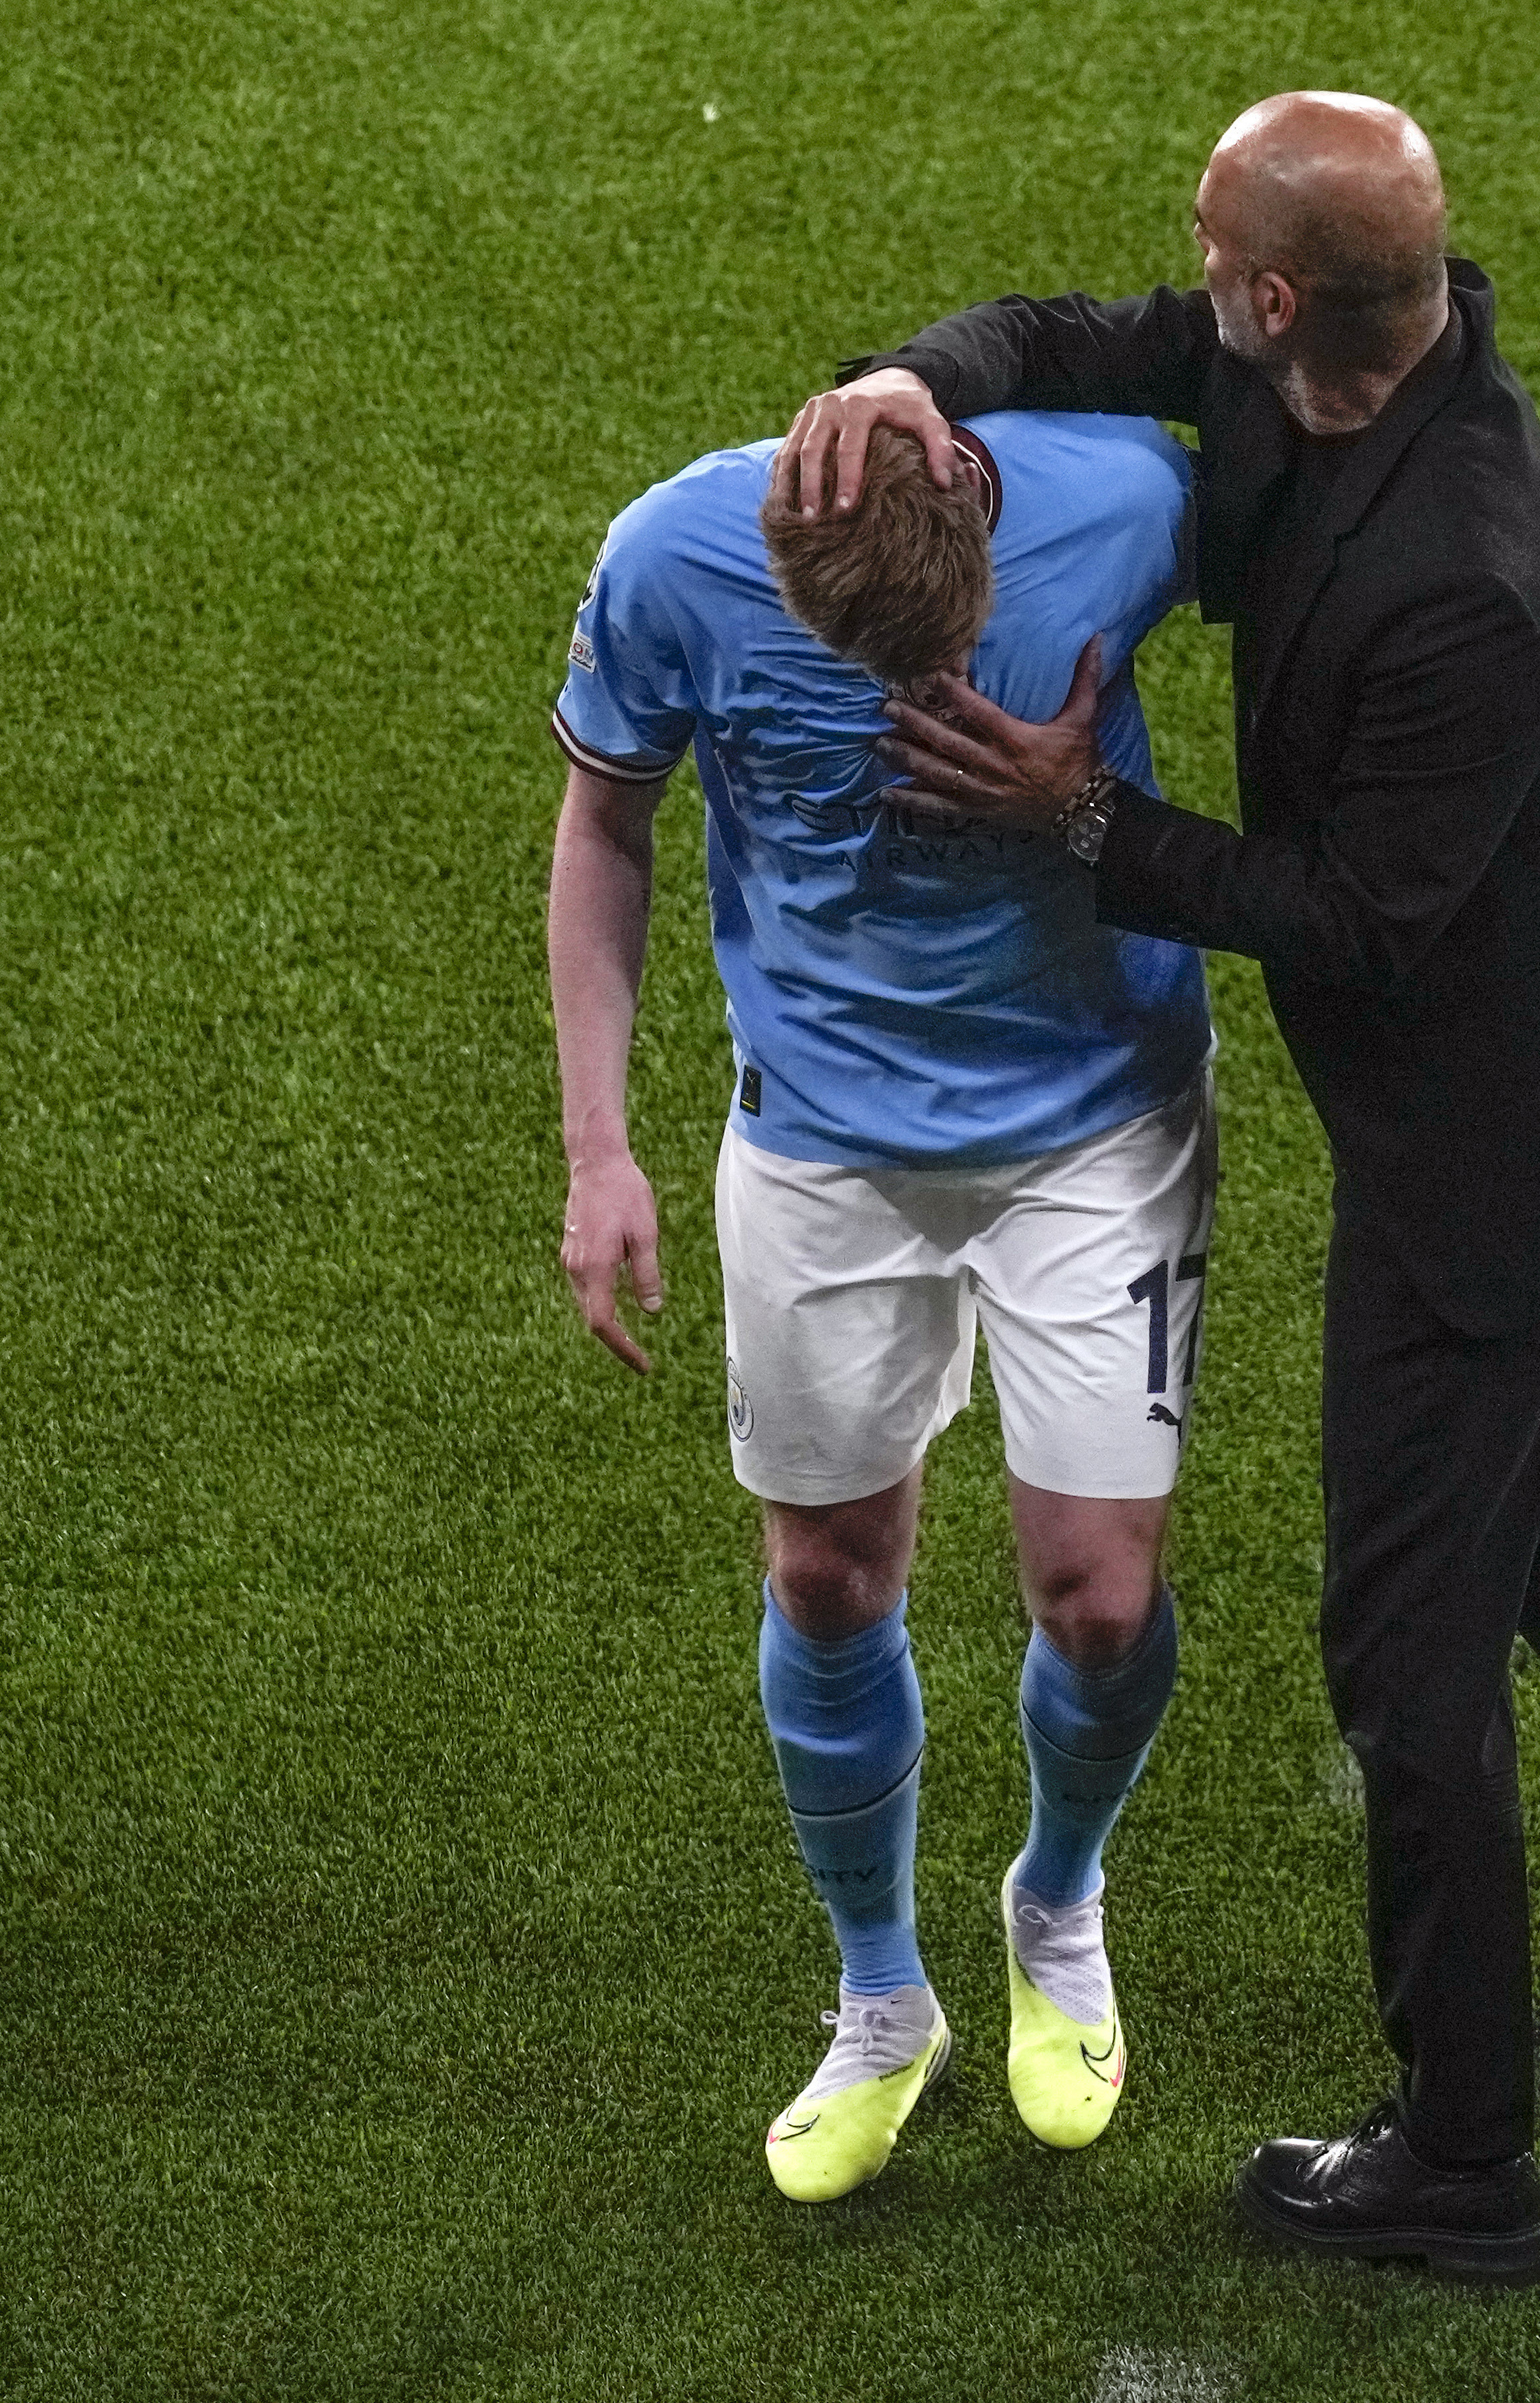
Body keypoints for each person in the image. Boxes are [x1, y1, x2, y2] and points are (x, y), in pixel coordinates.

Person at [776, 91, 1540, 2283]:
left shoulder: (1474, 572)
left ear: (1281, 293)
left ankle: (1462, 2166)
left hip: (1504, 1155)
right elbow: (1067, 333)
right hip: (1503, 1083)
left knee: (1404, 1658)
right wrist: (912, 378)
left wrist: (1078, 814)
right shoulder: (1315, 368)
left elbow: (1363, 914)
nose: (1180, 280)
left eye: (1210, 252)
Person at [546, 403, 1215, 2203]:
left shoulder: (1131, 496)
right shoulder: (672, 553)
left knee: (1099, 1595)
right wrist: (600, 1146)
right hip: (824, 1144)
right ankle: (880, 1995)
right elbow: (605, 820)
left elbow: (1349, 598)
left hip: (1098, 1125)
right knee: (829, 1574)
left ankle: (1056, 1900)